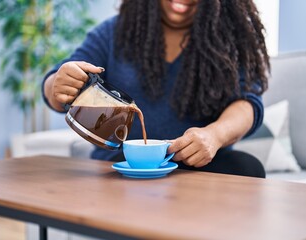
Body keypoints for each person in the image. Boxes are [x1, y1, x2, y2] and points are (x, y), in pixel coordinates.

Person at [42, 0, 270, 178]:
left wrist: (215, 135)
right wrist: (57, 85)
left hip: (194, 171)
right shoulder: (113, 33)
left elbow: (247, 102)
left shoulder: (230, 39)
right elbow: (57, 85)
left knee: (246, 167)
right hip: (118, 169)